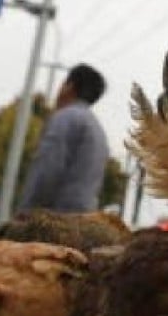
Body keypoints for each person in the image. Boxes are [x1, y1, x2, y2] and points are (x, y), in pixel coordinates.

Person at [17, 63, 110, 213]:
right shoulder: (98, 131)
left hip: (54, 220)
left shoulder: (65, 118)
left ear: (69, 86)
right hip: (83, 221)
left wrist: (27, 212)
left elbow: (47, 170)